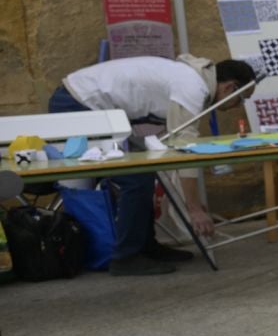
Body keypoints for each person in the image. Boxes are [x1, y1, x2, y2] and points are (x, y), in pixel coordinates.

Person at [49, 53, 256, 275]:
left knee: (143, 174)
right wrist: (194, 208)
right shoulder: (192, 88)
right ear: (229, 88)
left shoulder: (192, 79)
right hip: (78, 103)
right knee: (136, 180)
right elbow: (186, 154)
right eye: (242, 99)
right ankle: (126, 257)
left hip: (86, 102)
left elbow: (177, 143)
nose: (237, 106)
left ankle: (146, 247)